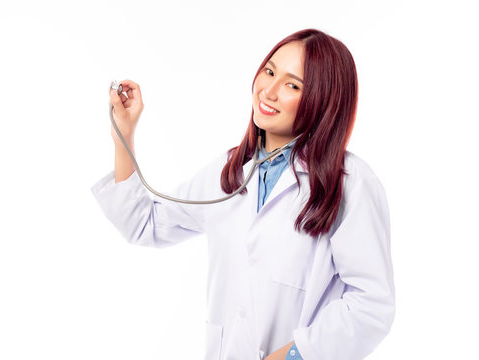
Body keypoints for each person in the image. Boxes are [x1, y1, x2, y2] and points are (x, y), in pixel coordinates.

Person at [91, 28, 395, 360]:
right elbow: (144, 224)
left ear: (323, 101)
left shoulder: (350, 184)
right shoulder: (230, 171)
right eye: (269, 71)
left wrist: (294, 355)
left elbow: (371, 305)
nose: (270, 91)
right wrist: (124, 133)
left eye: (292, 85)